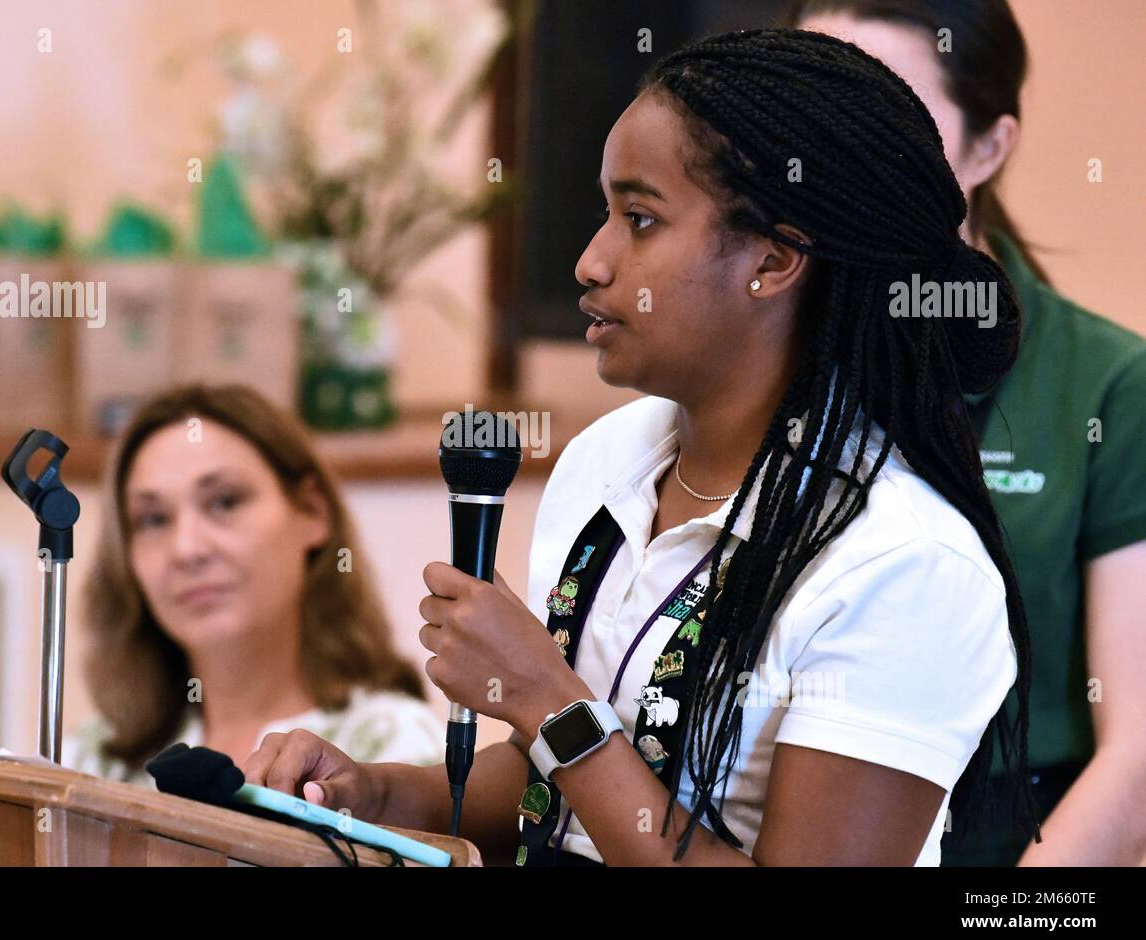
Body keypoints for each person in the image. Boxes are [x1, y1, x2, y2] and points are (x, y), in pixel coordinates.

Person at [242, 28, 1041, 866]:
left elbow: (570, 740)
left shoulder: (902, 565)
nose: (591, 261)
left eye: (641, 219)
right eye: (606, 214)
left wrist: (549, 700)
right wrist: (373, 793)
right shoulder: (609, 460)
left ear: (772, 258)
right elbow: (552, 785)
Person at [789, 0, 1146, 868]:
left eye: (891, 115)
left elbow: (1137, 757)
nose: (844, 151)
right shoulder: (756, 354)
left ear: (989, 148)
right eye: (819, 110)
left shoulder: (1107, 381)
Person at [63, 384, 444, 787]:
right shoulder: (94, 760)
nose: (187, 549)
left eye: (224, 502)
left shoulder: (392, 750)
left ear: (313, 512)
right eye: (154, 520)